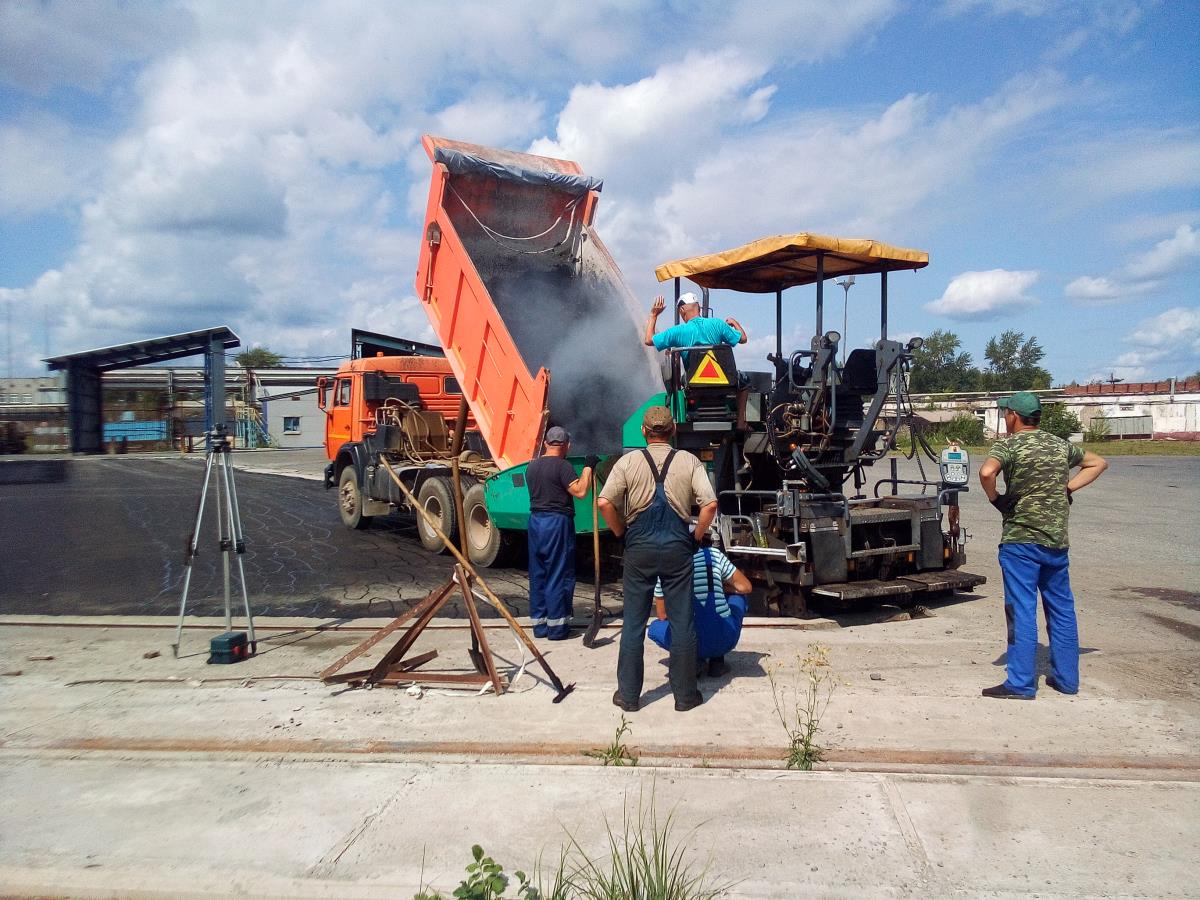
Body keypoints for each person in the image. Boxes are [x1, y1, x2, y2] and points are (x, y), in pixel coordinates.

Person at [978, 391, 1107, 699]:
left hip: (1021, 541)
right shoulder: (1059, 444)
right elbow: (1098, 463)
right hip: (1056, 543)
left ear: (1013, 416)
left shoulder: (1008, 445)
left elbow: (986, 472)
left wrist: (997, 499)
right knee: (1062, 609)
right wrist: (1066, 488)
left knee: (1021, 609)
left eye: (1005, 413)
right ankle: (1066, 680)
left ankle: (1021, 683)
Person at [598, 405, 717, 712]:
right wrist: (696, 537)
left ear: (643, 431)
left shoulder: (628, 462)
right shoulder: (689, 462)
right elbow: (710, 505)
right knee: (682, 623)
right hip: (678, 546)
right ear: (673, 429)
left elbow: (603, 502)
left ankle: (628, 695)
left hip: (639, 546)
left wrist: (620, 534)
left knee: (634, 624)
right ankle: (685, 696)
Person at [525, 426, 597, 640]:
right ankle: (557, 628)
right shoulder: (563, 467)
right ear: (567, 445)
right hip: (556, 523)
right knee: (558, 573)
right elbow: (581, 491)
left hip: (535, 522)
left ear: (546, 443)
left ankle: (540, 626)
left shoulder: (532, 467)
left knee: (539, 574)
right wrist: (588, 467)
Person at [647, 538, 752, 677]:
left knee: (654, 628)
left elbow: (662, 614)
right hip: (725, 639)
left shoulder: (665, 565)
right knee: (738, 597)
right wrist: (721, 588)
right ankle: (717, 662)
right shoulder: (714, 555)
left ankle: (694, 660)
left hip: (689, 642)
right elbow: (746, 587)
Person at [644, 292, 747, 354]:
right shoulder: (718, 324)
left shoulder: (677, 331)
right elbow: (743, 339)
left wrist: (653, 315)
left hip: (693, 385)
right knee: (743, 381)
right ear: (699, 307)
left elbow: (648, 340)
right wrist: (735, 322)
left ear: (682, 310)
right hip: (721, 382)